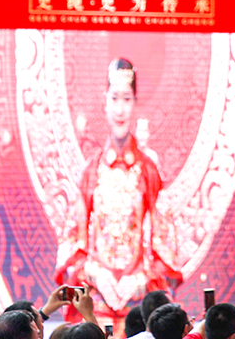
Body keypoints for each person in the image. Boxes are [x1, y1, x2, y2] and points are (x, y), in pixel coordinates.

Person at [55, 60, 181, 320]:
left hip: (136, 304)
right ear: (105, 101)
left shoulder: (148, 170)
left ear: (135, 102)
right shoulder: (92, 170)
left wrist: (142, 279)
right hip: (96, 302)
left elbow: (165, 241)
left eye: (126, 99)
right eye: (114, 98)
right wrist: (94, 274)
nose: (120, 109)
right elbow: (72, 240)